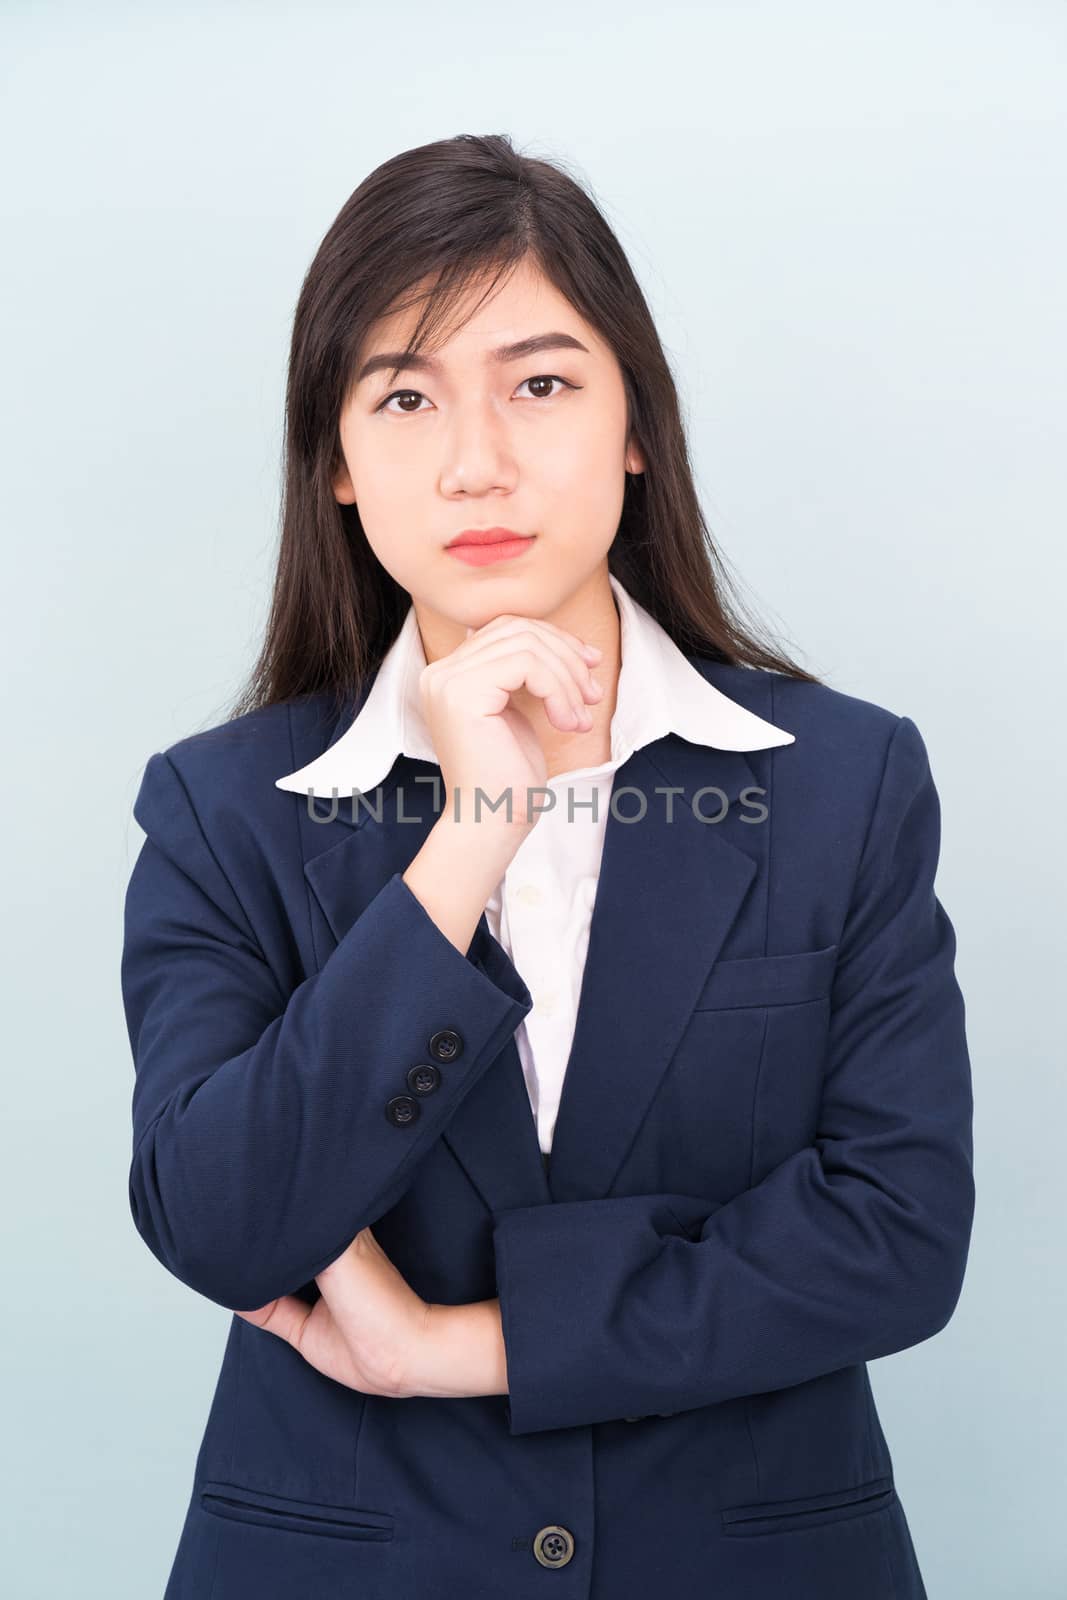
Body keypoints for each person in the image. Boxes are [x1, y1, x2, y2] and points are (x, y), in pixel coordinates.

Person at [120, 133, 974, 1600]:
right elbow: (222, 1224)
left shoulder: (846, 782)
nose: (478, 462)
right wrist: (466, 849)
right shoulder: (226, 813)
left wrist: (457, 1347)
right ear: (334, 460)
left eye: (541, 382)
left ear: (635, 422)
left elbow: (895, 1236)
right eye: (404, 396)